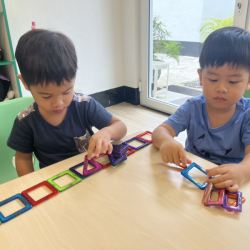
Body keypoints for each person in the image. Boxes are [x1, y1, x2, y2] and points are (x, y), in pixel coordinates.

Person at [7, 29, 127, 176]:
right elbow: (23, 159)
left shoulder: (84, 104)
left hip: (90, 172)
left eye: (66, 91)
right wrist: (30, 185)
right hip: (55, 181)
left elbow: (121, 127)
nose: (59, 103)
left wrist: (107, 132)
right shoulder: (25, 122)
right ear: (25, 83)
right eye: (46, 96)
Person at [152, 26, 250, 192]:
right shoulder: (193, 107)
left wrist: (242, 171)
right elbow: (160, 131)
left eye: (233, 82)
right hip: (193, 179)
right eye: (212, 79)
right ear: (200, 77)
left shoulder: (247, 114)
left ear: (248, 82)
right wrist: (166, 141)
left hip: (229, 183)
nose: (221, 88)